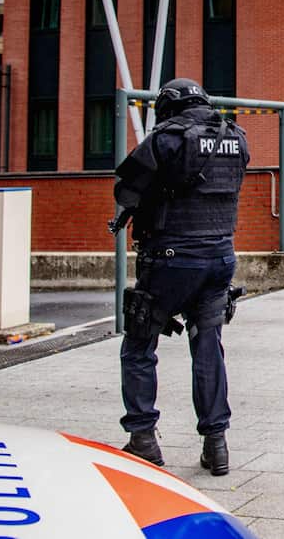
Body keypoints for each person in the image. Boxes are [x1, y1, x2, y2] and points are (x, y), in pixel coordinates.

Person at [111, 77, 249, 476]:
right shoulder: (235, 136)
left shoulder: (168, 138)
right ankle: (216, 443)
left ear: (168, 106)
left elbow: (127, 188)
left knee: (139, 344)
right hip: (220, 258)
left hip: (170, 259)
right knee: (208, 346)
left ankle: (143, 438)